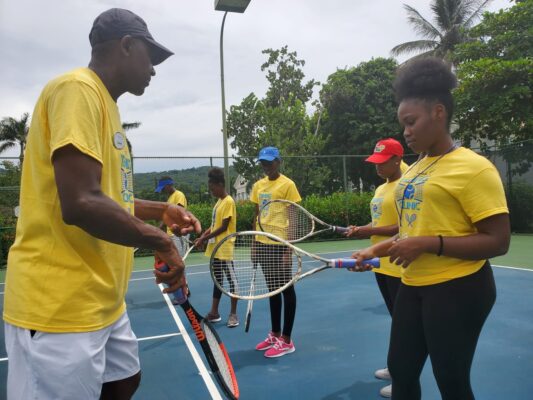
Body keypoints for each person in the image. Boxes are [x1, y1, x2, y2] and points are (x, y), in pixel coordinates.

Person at [3, 8, 200, 400]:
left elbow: (110, 196)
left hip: (102, 300)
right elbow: (80, 203)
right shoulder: (78, 89)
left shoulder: (107, 108)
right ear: (126, 46)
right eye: (151, 57)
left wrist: (159, 211)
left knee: (124, 380)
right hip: (61, 305)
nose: (154, 70)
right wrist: (160, 241)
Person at [351, 57, 510, 400]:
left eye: (411, 122)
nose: (405, 131)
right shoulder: (414, 170)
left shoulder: (474, 168)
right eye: (402, 124)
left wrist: (428, 244)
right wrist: (374, 250)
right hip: (414, 285)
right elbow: (411, 231)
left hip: (460, 288)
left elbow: (498, 241)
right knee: (402, 370)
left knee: (450, 380)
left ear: (439, 112)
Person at [346, 138, 405, 398]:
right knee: (396, 319)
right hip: (381, 263)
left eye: (383, 162)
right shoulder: (383, 188)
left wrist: (368, 231)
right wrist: (363, 230)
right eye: (375, 162)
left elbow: (403, 227)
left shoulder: (406, 185)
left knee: (405, 323)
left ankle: (404, 378)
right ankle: (397, 367)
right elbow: (381, 220)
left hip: (400, 262)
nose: (377, 167)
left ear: (396, 160)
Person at [251, 146, 302, 358]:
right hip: (262, 243)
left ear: (278, 162)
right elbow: (257, 216)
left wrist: (288, 250)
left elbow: (294, 219)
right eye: (263, 163)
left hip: (280, 243)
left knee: (286, 290)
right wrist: (254, 244)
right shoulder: (258, 186)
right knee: (272, 289)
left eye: (270, 162)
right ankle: (275, 333)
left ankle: (287, 340)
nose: (266, 167)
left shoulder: (288, 185)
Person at [194, 167, 239, 327]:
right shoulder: (219, 202)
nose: (211, 191)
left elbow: (223, 227)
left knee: (232, 282)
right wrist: (202, 237)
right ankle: (214, 313)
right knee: (217, 280)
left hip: (225, 248)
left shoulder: (228, 201)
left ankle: (233, 314)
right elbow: (214, 225)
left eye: (212, 188)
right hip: (216, 249)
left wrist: (204, 238)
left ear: (220, 184)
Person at [156, 176, 189, 257]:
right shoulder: (170, 198)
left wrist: (161, 224)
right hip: (172, 233)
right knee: (174, 259)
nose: (162, 191)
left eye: (163, 188)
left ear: (168, 185)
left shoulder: (179, 194)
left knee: (179, 259)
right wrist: (158, 229)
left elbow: (178, 211)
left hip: (179, 232)